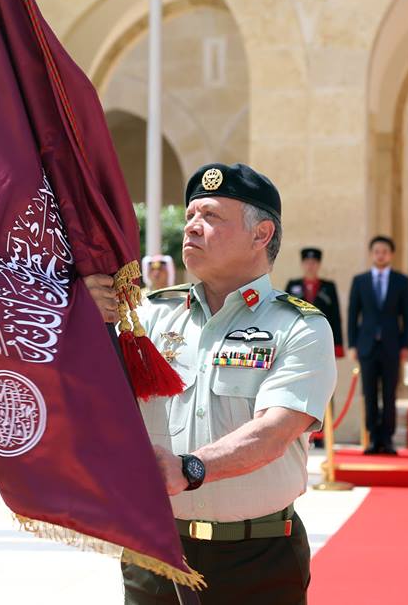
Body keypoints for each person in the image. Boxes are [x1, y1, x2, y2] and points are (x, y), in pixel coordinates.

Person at [129, 162, 336, 605]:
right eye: (189, 217)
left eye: (210, 217)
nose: (192, 228)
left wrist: (190, 469)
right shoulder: (149, 316)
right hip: (156, 552)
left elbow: (275, 431)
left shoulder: (298, 326)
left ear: (261, 235)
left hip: (258, 558)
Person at [347, 236, 408, 455]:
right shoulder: (360, 281)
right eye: (377, 251)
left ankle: (388, 438)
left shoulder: (401, 281)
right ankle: (373, 438)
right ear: (371, 254)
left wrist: (406, 345)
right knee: (369, 393)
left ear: (391, 254)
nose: (380, 254)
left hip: (392, 346)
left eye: (384, 251)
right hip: (366, 346)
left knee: (389, 394)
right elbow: (352, 314)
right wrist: (353, 344)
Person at [285, 248, 344, 358]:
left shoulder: (329, 287)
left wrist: (338, 344)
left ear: (319, 265)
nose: (310, 266)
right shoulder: (292, 285)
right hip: (298, 337)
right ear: (302, 264)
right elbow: (286, 313)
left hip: (323, 337)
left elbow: (335, 316)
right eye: (307, 262)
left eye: (313, 263)